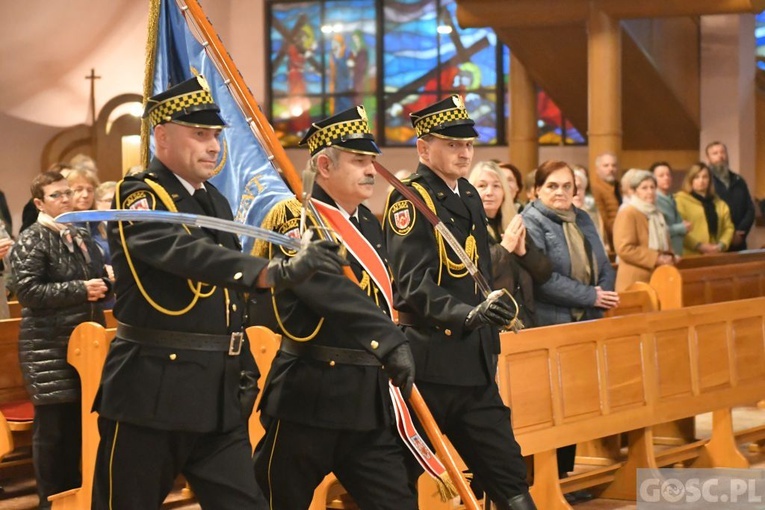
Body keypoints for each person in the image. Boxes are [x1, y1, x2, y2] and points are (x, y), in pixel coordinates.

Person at [91, 75, 347, 510]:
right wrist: (274, 271)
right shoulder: (139, 194)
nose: (213, 146)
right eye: (200, 134)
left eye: (215, 135)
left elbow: (230, 299)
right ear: (162, 136)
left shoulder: (215, 201)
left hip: (217, 392)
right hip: (153, 392)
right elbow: (184, 254)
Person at [251, 106, 417, 510]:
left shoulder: (368, 222)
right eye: (359, 161)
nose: (371, 171)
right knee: (276, 502)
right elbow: (320, 289)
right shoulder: (296, 218)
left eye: (372, 161)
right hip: (311, 395)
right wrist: (390, 341)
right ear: (324, 164)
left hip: (368, 399)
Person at [384, 95, 536, 510]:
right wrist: (468, 314)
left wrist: (492, 312)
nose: (464, 152)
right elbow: (413, 284)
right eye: (451, 144)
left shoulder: (467, 193)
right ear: (423, 148)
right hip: (430, 365)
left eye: (468, 144)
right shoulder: (410, 201)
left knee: (509, 475)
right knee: (397, 483)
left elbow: (479, 274)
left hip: (476, 367)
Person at [10, 170, 111, 509]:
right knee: (54, 434)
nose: (67, 199)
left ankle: (79, 498)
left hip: (85, 345)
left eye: (68, 192)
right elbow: (26, 291)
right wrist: (80, 289)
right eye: (57, 195)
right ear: (39, 202)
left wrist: (104, 283)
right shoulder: (33, 237)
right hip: (47, 348)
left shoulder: (78, 234)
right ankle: (51, 502)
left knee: (78, 429)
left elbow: (95, 280)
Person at [521, 160, 617, 491]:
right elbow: (544, 279)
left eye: (567, 186)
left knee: (575, 404)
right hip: (551, 323)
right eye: (552, 186)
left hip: (587, 324)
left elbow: (603, 262)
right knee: (553, 407)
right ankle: (547, 481)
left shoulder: (583, 217)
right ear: (536, 190)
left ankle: (564, 478)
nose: (561, 192)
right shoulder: (530, 221)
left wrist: (602, 291)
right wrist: (590, 295)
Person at [469, 160, 551, 328]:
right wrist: (504, 248)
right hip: (491, 324)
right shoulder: (466, 228)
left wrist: (524, 253)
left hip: (525, 320)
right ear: (470, 191)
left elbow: (544, 274)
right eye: (482, 186)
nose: (490, 192)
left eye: (496, 186)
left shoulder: (513, 222)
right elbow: (475, 275)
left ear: (505, 192)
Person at [613, 170, 675, 292]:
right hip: (634, 280)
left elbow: (666, 243)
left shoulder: (657, 214)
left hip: (657, 277)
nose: (650, 192)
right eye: (644, 188)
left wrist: (670, 256)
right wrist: (656, 258)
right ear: (634, 191)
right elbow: (624, 248)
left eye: (652, 187)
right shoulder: (628, 213)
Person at [674, 162, 734, 257]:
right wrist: (700, 246)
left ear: (710, 180)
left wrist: (720, 246)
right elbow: (679, 230)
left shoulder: (719, 203)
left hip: (715, 253)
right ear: (690, 180)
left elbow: (728, 228)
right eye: (697, 177)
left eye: (705, 177)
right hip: (690, 255)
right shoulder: (679, 200)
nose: (701, 181)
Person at [705, 141, 755, 251]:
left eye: (723, 152)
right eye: (715, 153)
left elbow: (750, 209)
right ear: (708, 159)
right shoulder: (706, 182)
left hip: (739, 242)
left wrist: (740, 232)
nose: (720, 156)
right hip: (715, 243)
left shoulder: (739, 181)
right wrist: (727, 236)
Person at [651, 161, 689, 256]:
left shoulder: (672, 198)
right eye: (661, 175)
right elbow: (657, 231)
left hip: (676, 252)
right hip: (663, 254)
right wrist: (681, 227)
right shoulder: (653, 200)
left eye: (668, 175)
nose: (666, 178)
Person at [571, 165, 608, 251]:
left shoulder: (591, 216)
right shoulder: (556, 220)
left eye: (580, 188)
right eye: (572, 188)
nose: (577, 192)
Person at [589, 152, 621, 247]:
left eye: (614, 165)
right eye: (606, 165)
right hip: (612, 240)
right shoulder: (595, 189)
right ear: (597, 169)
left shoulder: (621, 187)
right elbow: (603, 219)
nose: (611, 169)